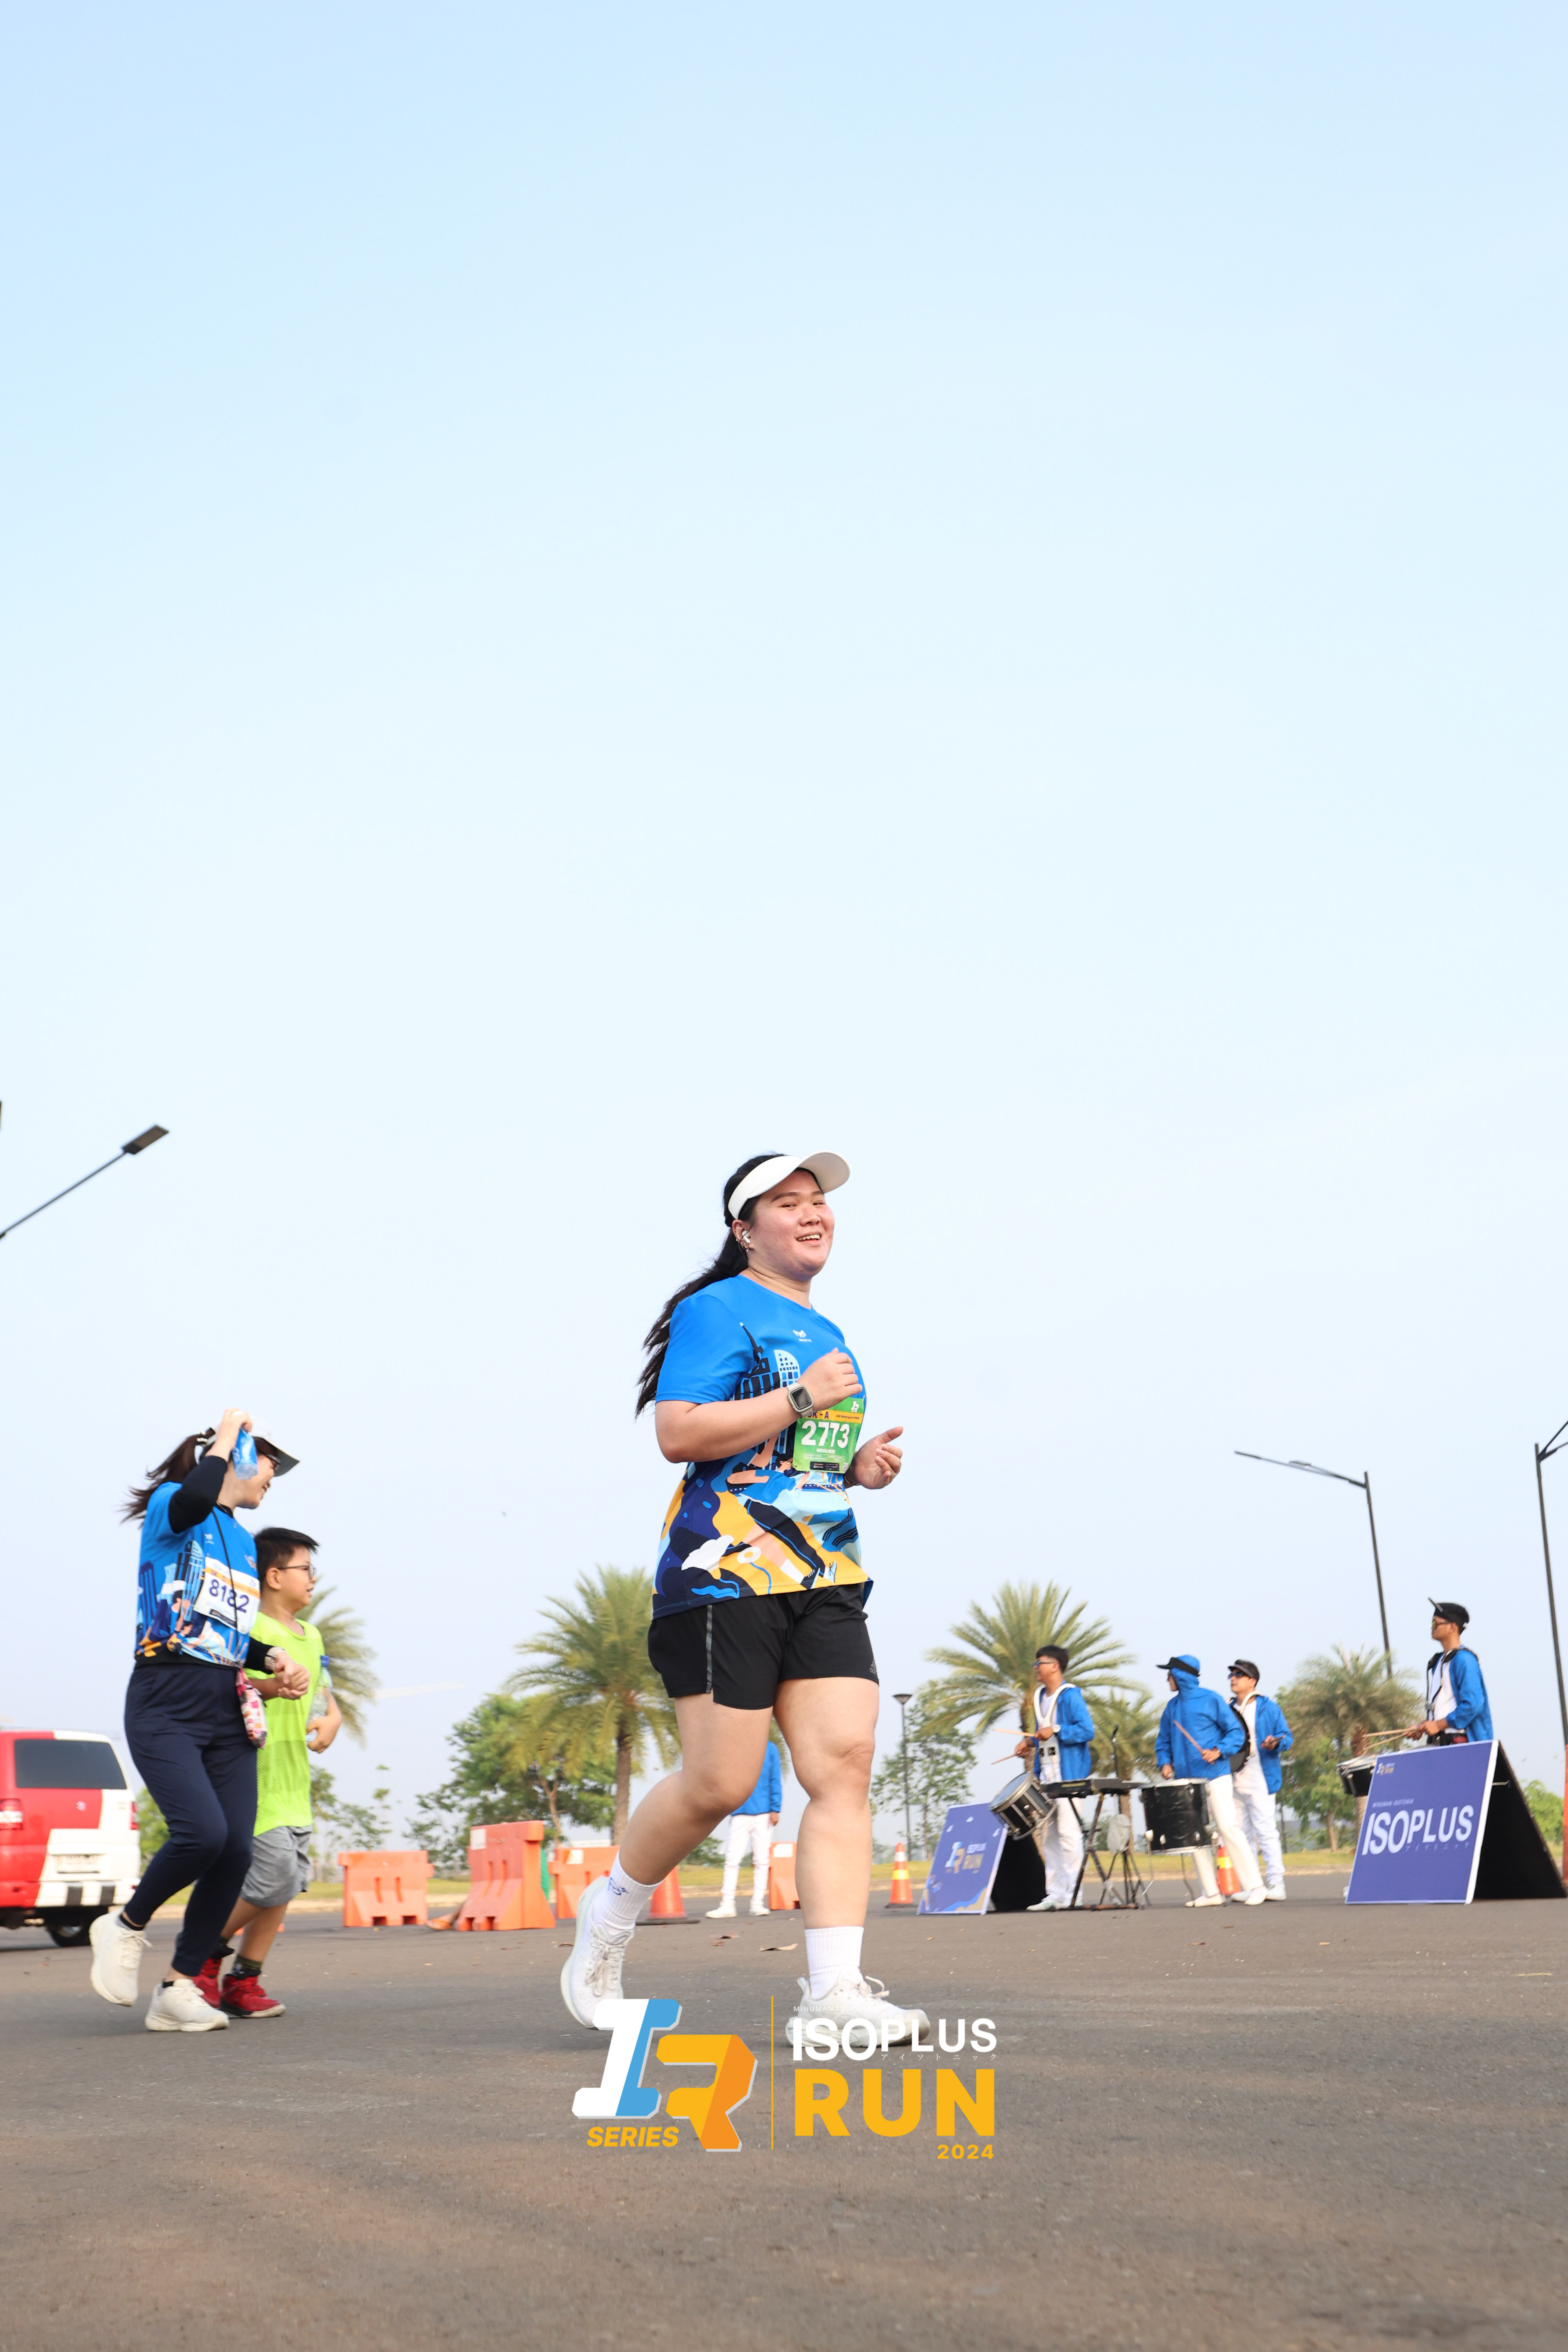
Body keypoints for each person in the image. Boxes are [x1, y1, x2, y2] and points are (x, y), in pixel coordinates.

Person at [560, 1151, 929, 2043]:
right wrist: (801, 1396)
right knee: (720, 1783)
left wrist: (854, 1467)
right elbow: (680, 1431)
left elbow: (789, 1456)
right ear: (744, 1228)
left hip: (825, 1572)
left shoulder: (826, 1328)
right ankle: (611, 1912)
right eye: (787, 1202)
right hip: (725, 1574)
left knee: (844, 1763)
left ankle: (832, 1992)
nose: (813, 1213)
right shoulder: (716, 1308)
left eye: (820, 1201)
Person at [88, 1412, 308, 2032]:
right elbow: (191, 1502)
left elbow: (225, 1628)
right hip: (167, 1698)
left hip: (224, 1705)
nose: (273, 1476)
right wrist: (226, 1433)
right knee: (202, 1833)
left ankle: (178, 1987)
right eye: (268, 1463)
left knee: (235, 1847)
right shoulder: (174, 1505)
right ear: (237, 1457)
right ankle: (124, 1927)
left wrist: (273, 1657)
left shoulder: (241, 1539)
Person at [193, 1528, 339, 2018]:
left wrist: (333, 1719)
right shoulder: (249, 1629)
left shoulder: (312, 1636)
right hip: (254, 1776)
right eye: (306, 1569)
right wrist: (272, 1687)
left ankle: (244, 1981)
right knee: (273, 1879)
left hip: (295, 1780)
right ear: (274, 1576)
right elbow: (227, 1685)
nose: (314, 1579)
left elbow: (324, 1694)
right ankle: (199, 1954)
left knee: (289, 1883)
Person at [1154, 1653, 1265, 1908]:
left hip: (1216, 1775)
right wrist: (1166, 1763)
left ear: (1181, 1675)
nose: (1167, 1679)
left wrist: (1218, 1751)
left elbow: (1236, 1733)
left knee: (1228, 1828)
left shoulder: (1211, 1699)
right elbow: (1163, 1741)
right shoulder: (1171, 1708)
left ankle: (1256, 1887)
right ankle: (1211, 1892)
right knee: (1195, 1836)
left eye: (1170, 1674)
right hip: (1186, 1781)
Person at [1012, 1644, 1094, 1911]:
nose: (1036, 1668)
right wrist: (1029, 1743)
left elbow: (1087, 1730)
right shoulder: (1040, 1697)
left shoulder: (1070, 1696)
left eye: (1040, 1663)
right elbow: (1043, 1735)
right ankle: (1055, 1894)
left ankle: (1073, 1894)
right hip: (1047, 1776)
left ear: (1055, 1666)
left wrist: (1057, 1729)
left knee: (1069, 1835)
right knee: (1049, 1837)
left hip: (1069, 1777)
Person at [1225, 1659, 1293, 1902]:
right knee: (1243, 1835)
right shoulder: (1227, 1709)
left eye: (1239, 1675)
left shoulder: (1268, 1708)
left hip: (1261, 1777)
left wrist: (1275, 1743)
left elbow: (1287, 1737)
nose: (1233, 1679)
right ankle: (1253, 1885)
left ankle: (1277, 1884)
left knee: (1266, 1832)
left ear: (1252, 1681)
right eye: (1232, 1675)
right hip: (1233, 1779)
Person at [707, 1740, 782, 1919]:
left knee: (762, 1861)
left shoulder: (770, 1749)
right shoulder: (735, 1745)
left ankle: (757, 1904)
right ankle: (727, 1904)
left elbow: (775, 1779)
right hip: (739, 1812)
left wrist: (775, 1808)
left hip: (764, 1813)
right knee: (732, 1860)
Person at [1412, 1601, 1493, 1744]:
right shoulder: (1439, 1662)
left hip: (1460, 1743)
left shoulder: (1465, 1660)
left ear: (1452, 1627)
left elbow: (1473, 1705)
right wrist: (1424, 1725)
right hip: (1440, 1742)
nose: (1432, 1627)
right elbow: (1445, 1707)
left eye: (1435, 1623)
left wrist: (1438, 1725)